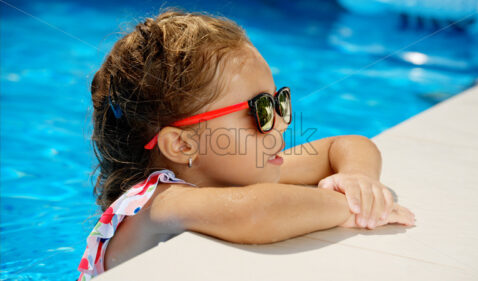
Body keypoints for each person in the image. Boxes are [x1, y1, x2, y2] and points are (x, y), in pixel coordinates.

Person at [77, 9, 415, 280]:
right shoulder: (156, 203)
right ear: (182, 145)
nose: (282, 122)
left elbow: (343, 145)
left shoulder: (234, 169)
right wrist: (352, 207)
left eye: (279, 101)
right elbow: (256, 210)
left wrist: (358, 180)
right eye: (261, 110)